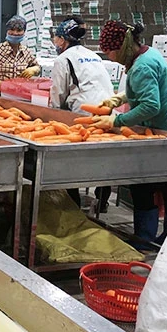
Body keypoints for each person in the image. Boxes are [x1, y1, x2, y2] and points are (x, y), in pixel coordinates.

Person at [92, 21, 167, 245]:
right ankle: (156, 238)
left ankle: (157, 240)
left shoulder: (141, 67)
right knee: (154, 185)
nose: (109, 57)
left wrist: (116, 120)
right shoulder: (147, 54)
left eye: (109, 52)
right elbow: (146, 88)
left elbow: (151, 106)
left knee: (157, 186)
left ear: (122, 47)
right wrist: (120, 97)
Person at [49, 17, 115, 210]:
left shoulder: (63, 59)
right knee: (103, 159)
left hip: (83, 112)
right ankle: (102, 202)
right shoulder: (92, 55)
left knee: (73, 163)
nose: (54, 42)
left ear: (62, 39)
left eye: (56, 38)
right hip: (107, 110)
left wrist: (53, 118)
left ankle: (73, 205)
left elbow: (58, 94)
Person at [0, 15, 40, 94]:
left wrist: (33, 69)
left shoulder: (26, 52)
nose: (15, 33)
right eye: (12, 30)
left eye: (19, 30)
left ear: (24, 32)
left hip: (19, 96)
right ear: (7, 31)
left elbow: (37, 66)